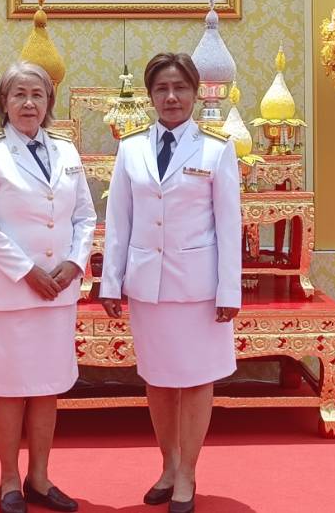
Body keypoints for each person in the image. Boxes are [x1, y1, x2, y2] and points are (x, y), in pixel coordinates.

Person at [99, 52, 241, 513]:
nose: (172, 97)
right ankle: (167, 465)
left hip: (198, 289)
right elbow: (119, 220)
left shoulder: (216, 149)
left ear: (195, 93)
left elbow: (229, 224)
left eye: (180, 87)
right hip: (148, 287)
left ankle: (188, 473)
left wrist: (230, 290)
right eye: (162, 88)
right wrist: (110, 281)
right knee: (158, 380)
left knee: (196, 381)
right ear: (150, 95)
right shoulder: (131, 148)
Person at [0, 60, 96, 513]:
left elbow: (85, 216)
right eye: (19, 94)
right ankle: (9, 481)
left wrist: (74, 263)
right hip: (9, 292)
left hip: (57, 291)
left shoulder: (66, 151)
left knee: (46, 386)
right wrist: (26, 271)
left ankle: (40, 477)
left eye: (37, 94)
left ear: (49, 101)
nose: (29, 103)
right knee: (10, 388)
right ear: (4, 101)